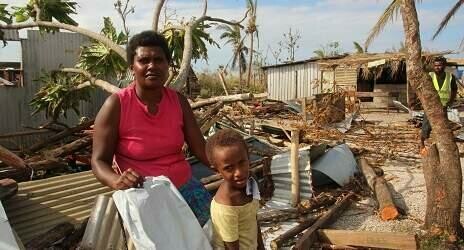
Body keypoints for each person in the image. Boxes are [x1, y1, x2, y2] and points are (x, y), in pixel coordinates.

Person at [91, 30, 211, 226]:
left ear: (167, 64)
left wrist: (229, 167)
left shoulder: (178, 102)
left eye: (158, 60)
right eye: (144, 60)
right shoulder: (116, 106)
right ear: (132, 66)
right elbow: (98, 161)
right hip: (143, 194)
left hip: (185, 187)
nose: (152, 66)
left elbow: (200, 148)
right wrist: (116, 180)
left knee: (214, 235)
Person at [205, 129, 265, 250]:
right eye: (229, 168)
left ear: (248, 157)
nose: (239, 172)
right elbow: (230, 246)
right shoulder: (226, 206)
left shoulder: (251, 181)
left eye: (242, 162)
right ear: (217, 171)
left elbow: (254, 218)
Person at [420, 56, 458, 151]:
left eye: (440, 65)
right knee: (426, 126)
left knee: (442, 127)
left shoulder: (450, 77)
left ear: (444, 66)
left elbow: (454, 90)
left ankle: (441, 147)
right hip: (430, 106)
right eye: (436, 65)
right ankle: (421, 145)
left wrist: (450, 101)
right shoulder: (430, 75)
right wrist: (424, 63)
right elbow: (421, 73)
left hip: (443, 106)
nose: (437, 67)